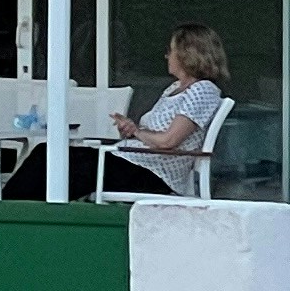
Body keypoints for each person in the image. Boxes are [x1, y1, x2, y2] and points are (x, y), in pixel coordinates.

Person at [94, 24, 227, 199]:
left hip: (155, 174)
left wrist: (137, 132)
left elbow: (168, 141)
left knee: (68, 163)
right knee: (56, 156)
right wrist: (132, 132)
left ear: (187, 54)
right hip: (133, 162)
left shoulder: (202, 90)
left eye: (171, 51)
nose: (167, 56)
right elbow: (153, 135)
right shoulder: (174, 88)